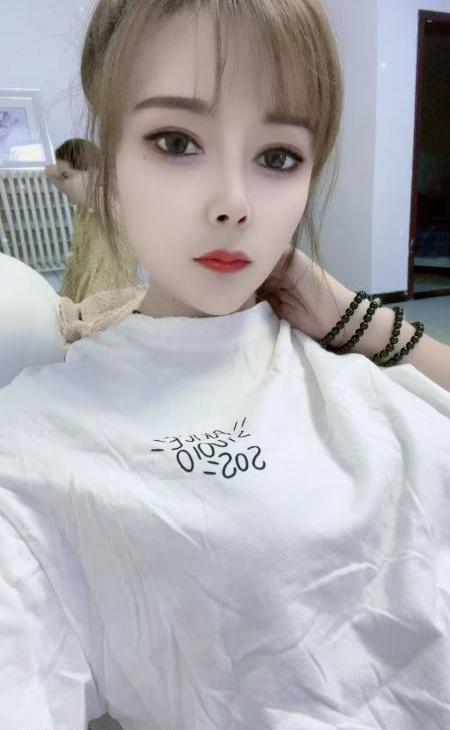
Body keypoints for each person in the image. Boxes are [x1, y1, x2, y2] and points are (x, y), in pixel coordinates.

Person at [0, 1, 449, 729]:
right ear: (111, 158)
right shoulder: (34, 446)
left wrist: (347, 314)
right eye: (177, 142)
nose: (234, 204)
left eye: (278, 157)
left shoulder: (341, 358)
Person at [45, 137, 140, 302]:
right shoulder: (86, 199)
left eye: (66, 176)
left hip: (108, 287)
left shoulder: (105, 200)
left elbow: (51, 174)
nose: (63, 184)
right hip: (86, 272)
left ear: (93, 172)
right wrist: (62, 173)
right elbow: (49, 173)